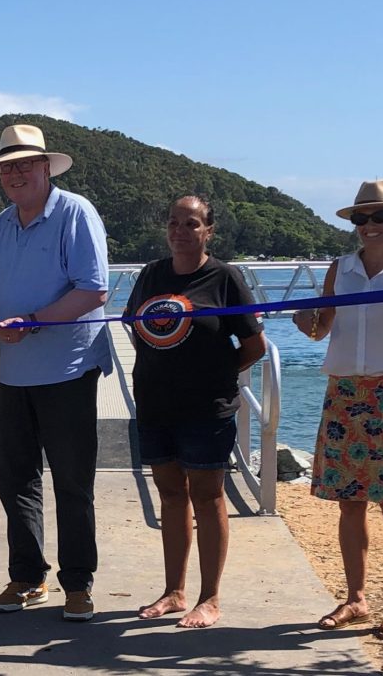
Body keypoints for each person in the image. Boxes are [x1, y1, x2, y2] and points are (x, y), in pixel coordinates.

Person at [0, 124, 112, 622]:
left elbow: (94, 291)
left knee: (73, 483)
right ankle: (28, 577)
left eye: (25, 164)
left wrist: (30, 322)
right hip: (14, 374)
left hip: (68, 370)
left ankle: (78, 584)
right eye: (7, 166)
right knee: (15, 480)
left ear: (47, 167)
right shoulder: (1, 225)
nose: (15, 173)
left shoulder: (76, 212)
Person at [293, 179, 383, 640]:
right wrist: (305, 321)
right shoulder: (341, 269)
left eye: (380, 217)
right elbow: (321, 329)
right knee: (349, 504)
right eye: (361, 218)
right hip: (343, 395)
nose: (369, 226)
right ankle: (356, 598)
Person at [125, 196, 266, 628]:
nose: (180, 230)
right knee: (171, 497)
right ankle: (174, 591)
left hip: (207, 410)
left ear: (208, 231)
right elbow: (135, 328)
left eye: (191, 223)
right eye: (173, 222)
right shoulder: (152, 274)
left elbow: (254, 346)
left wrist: (216, 375)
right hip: (155, 404)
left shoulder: (224, 278)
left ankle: (210, 597)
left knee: (207, 498)